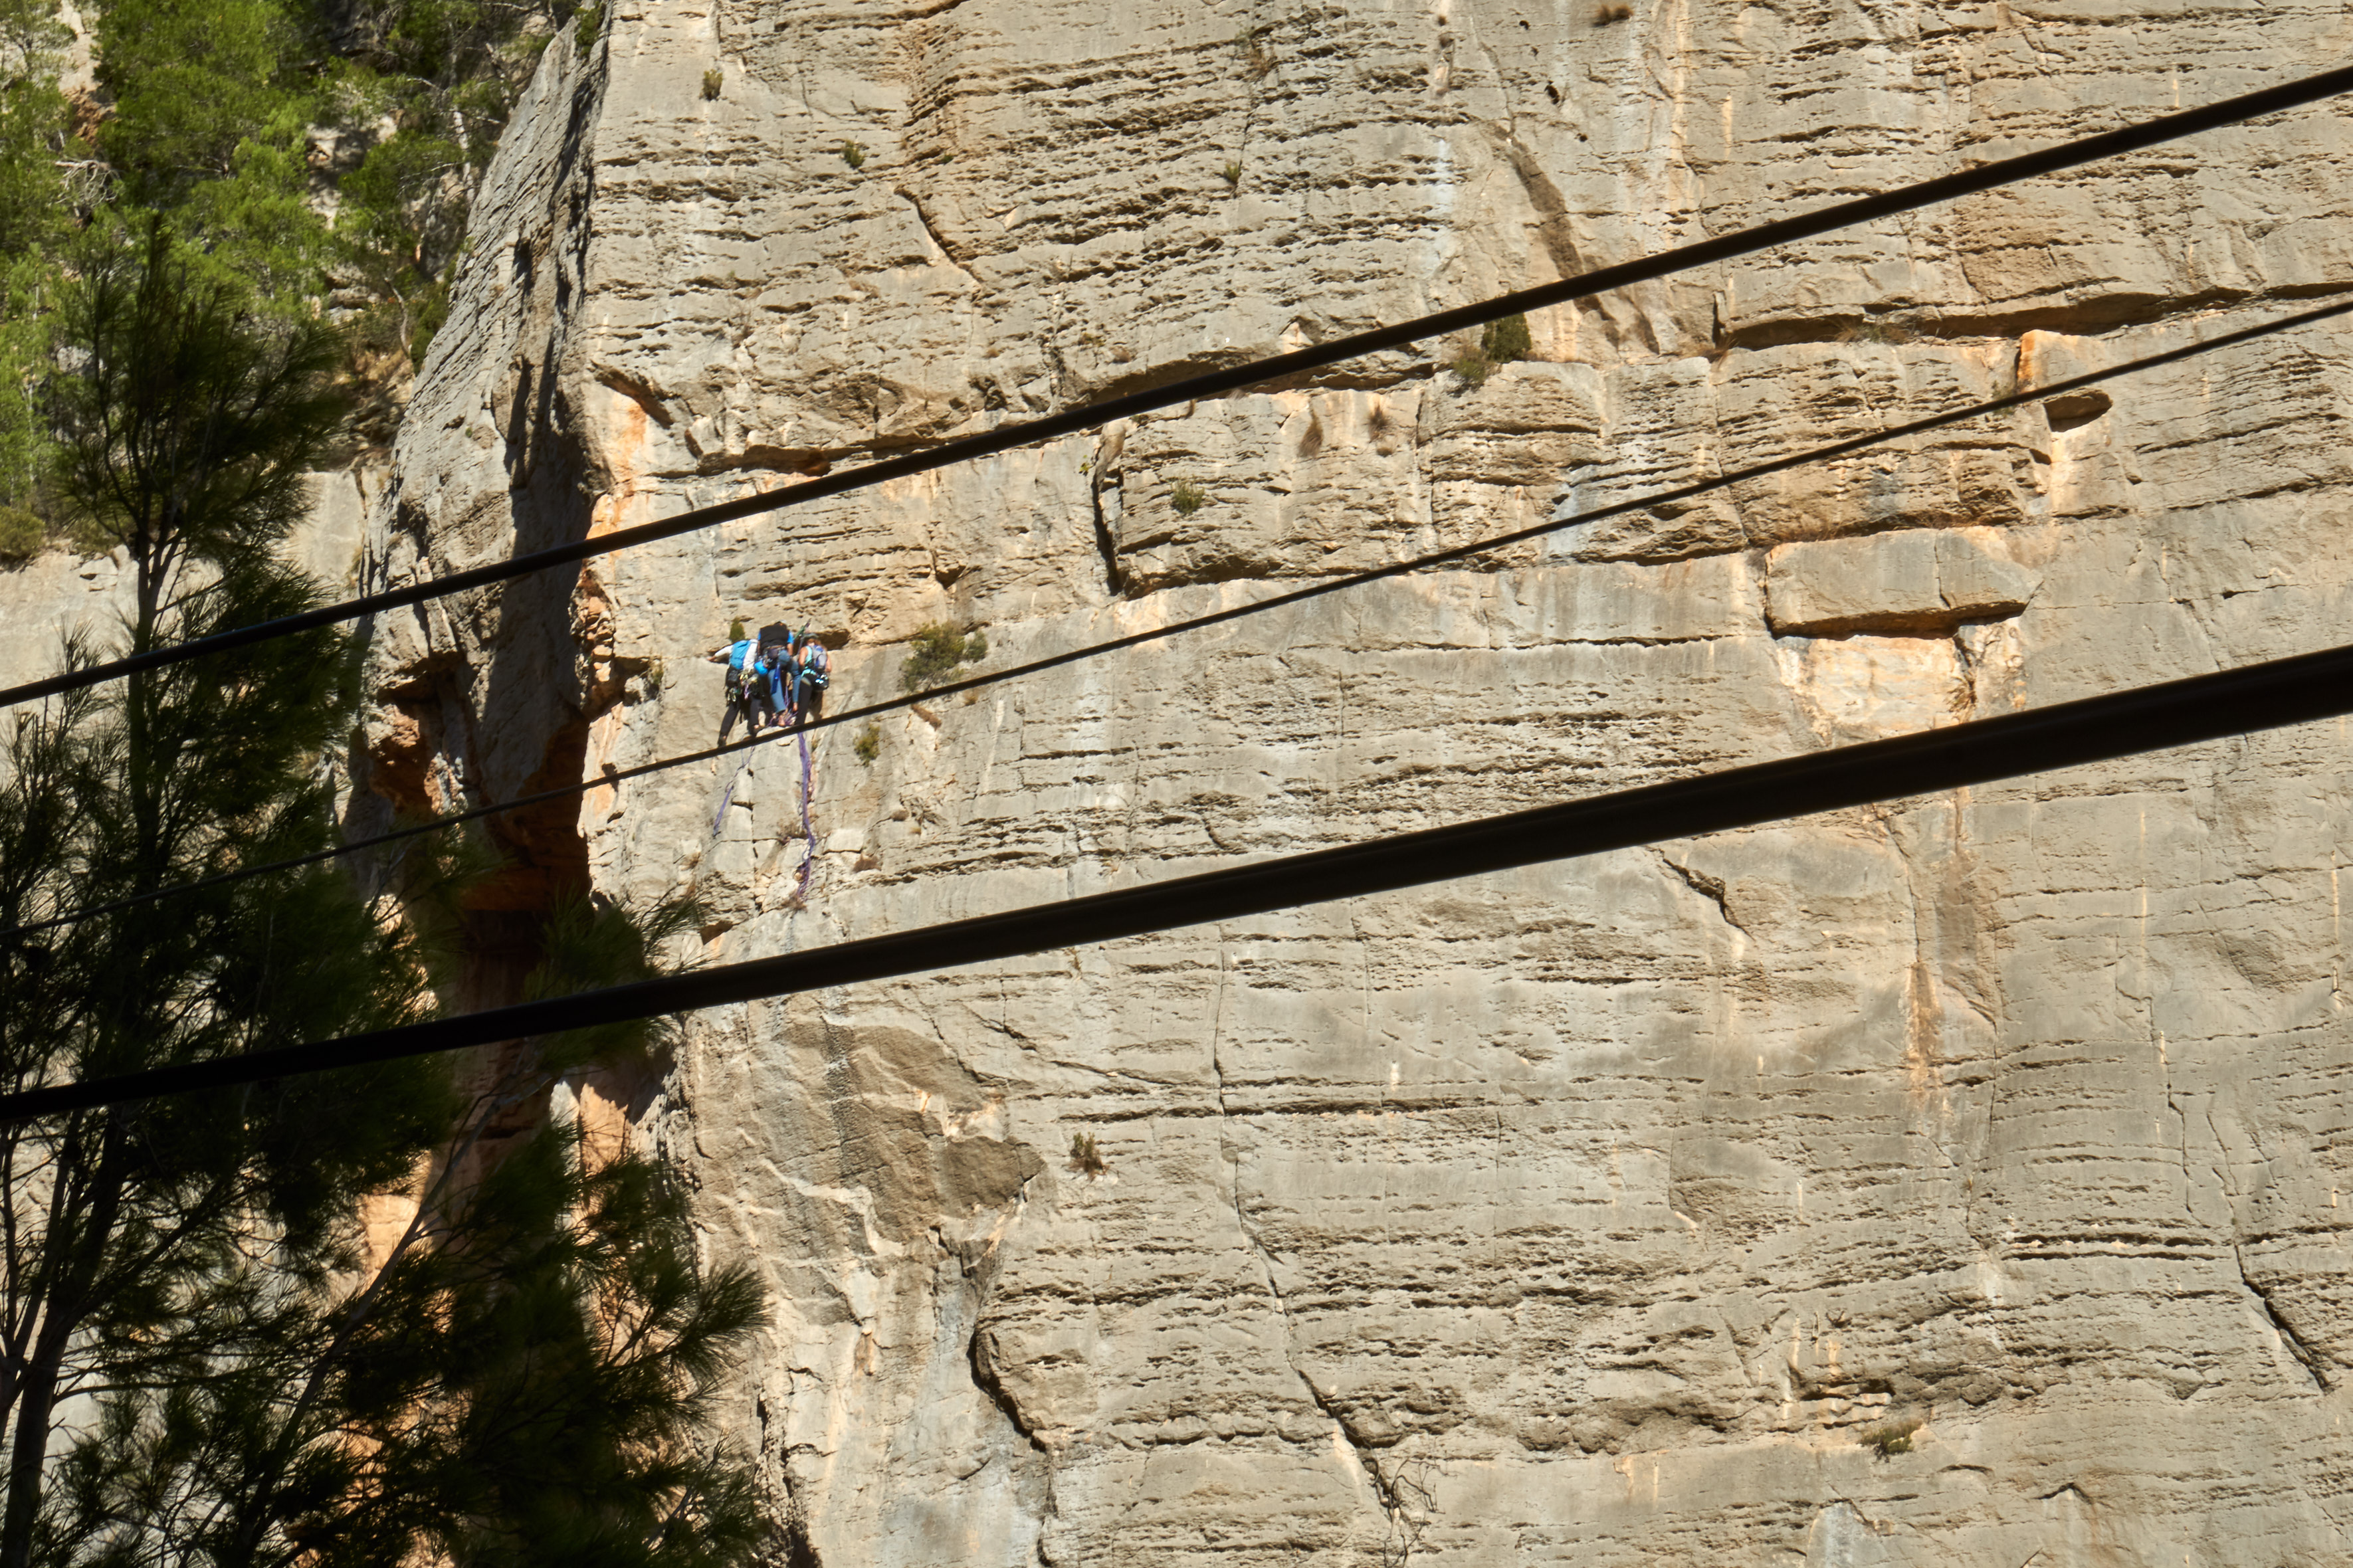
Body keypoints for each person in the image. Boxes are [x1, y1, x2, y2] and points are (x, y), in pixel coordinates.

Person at [707, 629, 756, 743]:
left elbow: (720, 653)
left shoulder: (734, 647)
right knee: (754, 699)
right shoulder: (754, 646)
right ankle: (754, 726)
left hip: (732, 678)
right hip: (745, 678)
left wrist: (712, 659)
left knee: (734, 707)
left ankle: (723, 736)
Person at [793, 633, 829, 725]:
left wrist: (804, 669)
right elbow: (829, 668)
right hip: (818, 678)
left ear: (807, 641)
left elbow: (801, 663)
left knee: (804, 701)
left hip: (808, 676)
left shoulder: (805, 649)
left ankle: (799, 723)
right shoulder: (823, 650)